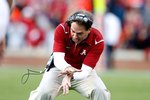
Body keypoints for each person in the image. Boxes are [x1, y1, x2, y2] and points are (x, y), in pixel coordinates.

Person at [28, 10, 110, 100]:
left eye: (79, 33)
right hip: (59, 69)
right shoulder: (62, 29)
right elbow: (58, 59)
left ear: (89, 30)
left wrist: (69, 76)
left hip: (81, 71)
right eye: (73, 31)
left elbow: (85, 71)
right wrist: (67, 70)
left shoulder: (98, 41)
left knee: (101, 92)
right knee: (42, 93)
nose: (75, 36)